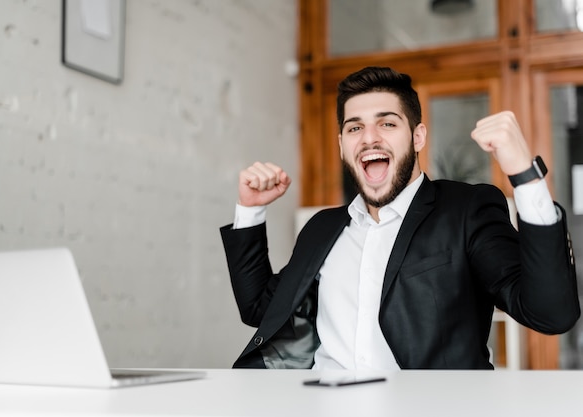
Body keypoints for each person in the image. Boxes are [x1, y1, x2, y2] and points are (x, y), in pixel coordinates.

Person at [220, 66, 580, 370]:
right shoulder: (322, 228)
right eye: (354, 127)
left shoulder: (466, 208)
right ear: (342, 144)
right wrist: (250, 209)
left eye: (387, 124)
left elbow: (551, 313)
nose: (369, 138)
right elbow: (260, 310)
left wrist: (525, 176)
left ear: (418, 136)